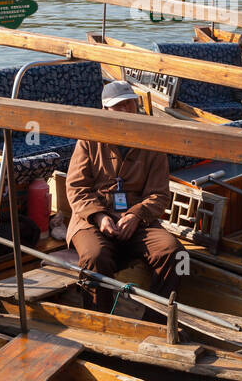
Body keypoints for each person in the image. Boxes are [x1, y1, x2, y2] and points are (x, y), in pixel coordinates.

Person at [65, 80, 183, 312]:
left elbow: (159, 194)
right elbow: (76, 188)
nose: (127, 110)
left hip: (138, 221)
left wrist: (136, 215)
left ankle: (157, 320)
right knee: (95, 257)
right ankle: (100, 319)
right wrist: (99, 216)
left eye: (130, 104)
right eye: (119, 106)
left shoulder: (152, 141)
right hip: (92, 219)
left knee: (175, 254)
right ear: (105, 110)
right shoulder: (88, 140)